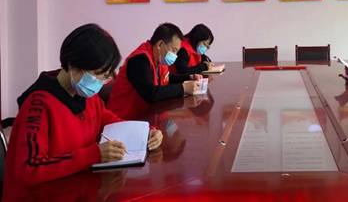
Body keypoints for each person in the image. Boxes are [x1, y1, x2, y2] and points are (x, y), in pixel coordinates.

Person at [3, 24, 163, 196]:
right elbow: (29, 168)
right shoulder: (38, 105)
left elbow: (111, 121)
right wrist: (93, 154)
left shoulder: (86, 96)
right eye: (99, 74)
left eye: (106, 75)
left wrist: (146, 132)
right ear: (74, 66)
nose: (102, 82)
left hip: (76, 190)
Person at [108, 23, 201, 119]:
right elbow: (151, 93)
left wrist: (189, 77)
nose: (175, 55)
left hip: (146, 115)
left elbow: (167, 77)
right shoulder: (139, 60)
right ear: (160, 44)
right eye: (174, 50)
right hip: (123, 119)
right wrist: (183, 88)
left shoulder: (159, 58)